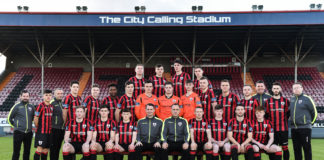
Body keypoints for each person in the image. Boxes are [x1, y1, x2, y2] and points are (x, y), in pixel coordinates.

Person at [290, 82, 317, 160]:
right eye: (294, 88)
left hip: (305, 128)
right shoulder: (292, 99)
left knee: (306, 148)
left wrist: (310, 123)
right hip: (294, 129)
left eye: (298, 87)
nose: (296, 89)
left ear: (302, 88)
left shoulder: (307, 98)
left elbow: (314, 112)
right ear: (292, 90)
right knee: (296, 149)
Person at [265, 82, 290, 160]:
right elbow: (266, 115)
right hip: (272, 130)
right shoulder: (268, 101)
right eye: (274, 88)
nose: (276, 90)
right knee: (273, 148)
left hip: (283, 129)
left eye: (277, 88)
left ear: (280, 89)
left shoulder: (286, 101)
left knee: (285, 148)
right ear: (272, 89)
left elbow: (288, 114)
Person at [8, 90, 35, 160]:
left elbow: (33, 118)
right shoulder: (16, 106)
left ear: (29, 97)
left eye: (27, 96)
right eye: (24, 96)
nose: (25, 97)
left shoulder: (31, 107)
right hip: (18, 132)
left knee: (27, 152)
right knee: (16, 152)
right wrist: (16, 126)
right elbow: (9, 118)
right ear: (20, 97)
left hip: (29, 133)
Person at [34, 89, 54, 160]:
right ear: (43, 96)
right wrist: (39, 128)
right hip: (41, 132)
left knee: (45, 150)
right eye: (46, 95)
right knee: (39, 149)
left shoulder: (52, 107)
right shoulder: (40, 106)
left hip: (49, 133)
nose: (48, 97)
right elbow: (36, 119)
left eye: (50, 95)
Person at [50, 88, 65, 160]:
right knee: (53, 149)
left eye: (61, 94)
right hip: (54, 129)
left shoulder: (63, 103)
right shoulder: (52, 103)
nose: (60, 95)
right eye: (58, 94)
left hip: (62, 129)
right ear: (54, 94)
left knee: (58, 148)